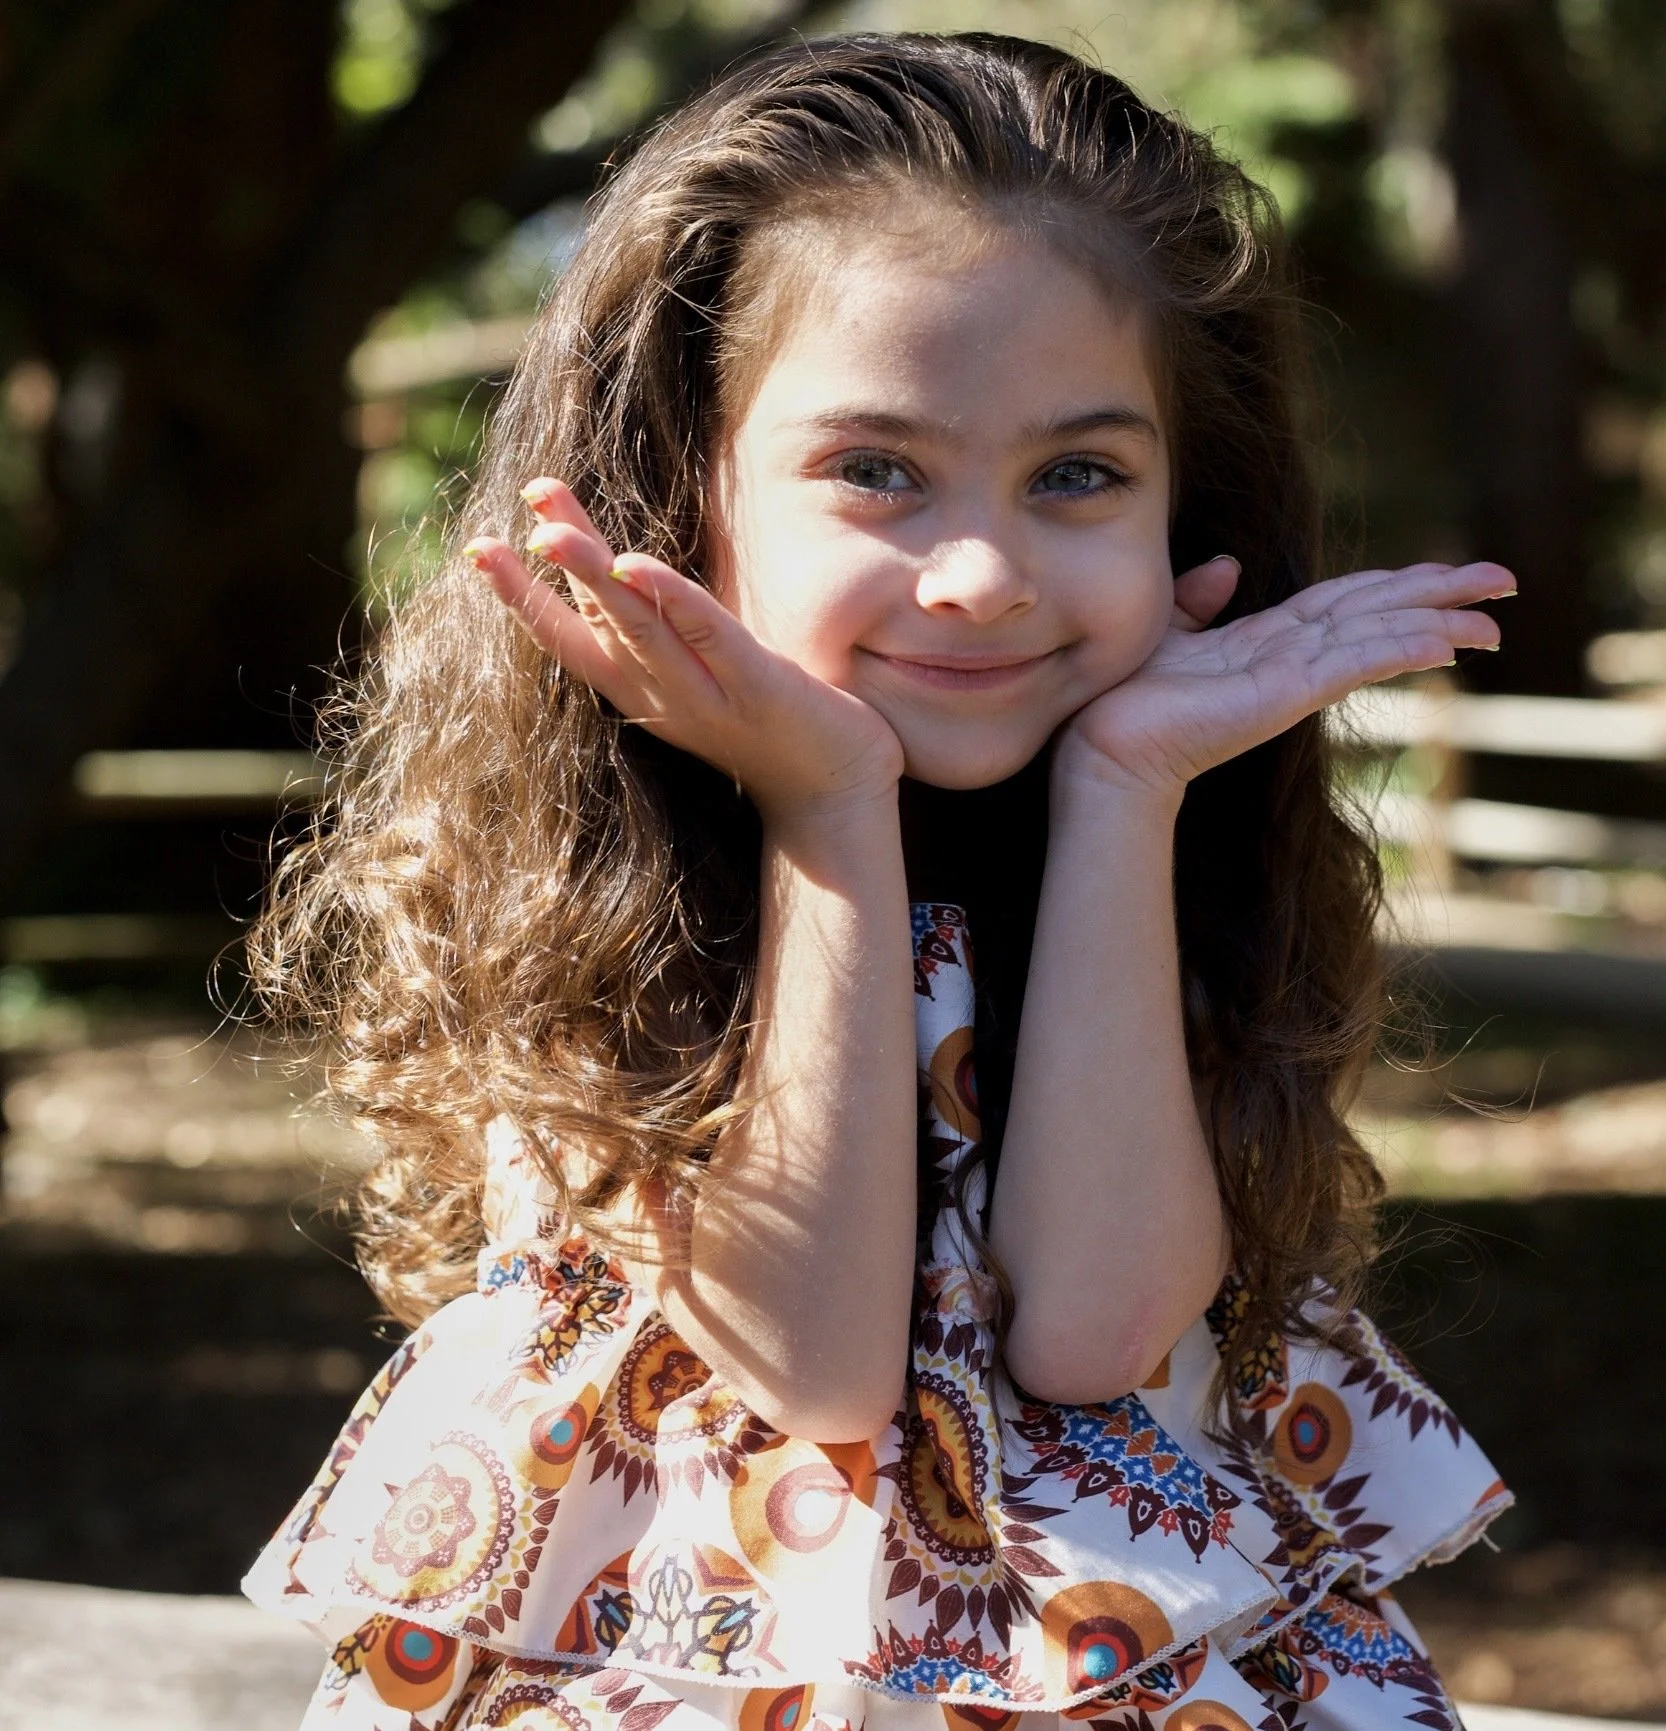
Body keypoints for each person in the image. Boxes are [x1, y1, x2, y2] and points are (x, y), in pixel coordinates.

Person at [243, 32, 1514, 1731]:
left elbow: (1094, 1335)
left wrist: (1128, 791)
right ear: (684, 497)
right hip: (684, 1649)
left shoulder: (1166, 849)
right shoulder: (593, 885)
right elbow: (819, 1368)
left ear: (1182, 508)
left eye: (1078, 475)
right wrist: (828, 816)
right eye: (877, 472)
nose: (981, 575)